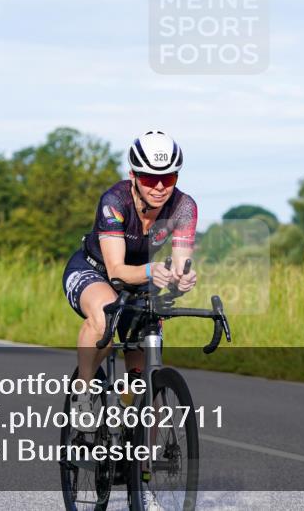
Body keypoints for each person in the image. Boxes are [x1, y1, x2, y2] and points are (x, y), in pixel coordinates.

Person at [61, 130, 198, 429]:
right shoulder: (115, 201)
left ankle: (138, 445)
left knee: (144, 381)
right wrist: (152, 271)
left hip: (142, 278)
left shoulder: (184, 207)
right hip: (95, 270)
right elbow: (116, 271)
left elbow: (180, 264)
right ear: (133, 175)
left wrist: (182, 278)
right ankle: (83, 390)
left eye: (168, 178)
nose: (159, 187)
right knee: (105, 315)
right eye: (149, 178)